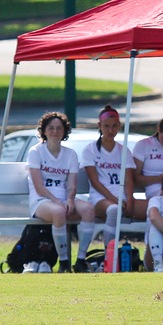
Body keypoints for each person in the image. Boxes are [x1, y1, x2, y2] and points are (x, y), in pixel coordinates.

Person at [26, 111, 94, 273]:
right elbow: (38, 186)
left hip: (63, 200)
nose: (55, 132)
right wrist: (57, 201)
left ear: (65, 131)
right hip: (41, 201)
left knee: (88, 209)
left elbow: (71, 184)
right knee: (58, 212)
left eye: (59, 128)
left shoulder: (70, 154)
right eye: (51, 128)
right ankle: (63, 263)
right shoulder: (36, 152)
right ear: (44, 131)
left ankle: (80, 261)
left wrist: (70, 199)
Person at [78, 105, 128, 272]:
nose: (110, 129)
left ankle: (157, 262)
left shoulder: (123, 150)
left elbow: (129, 179)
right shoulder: (91, 149)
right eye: (106, 125)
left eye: (114, 126)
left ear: (119, 126)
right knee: (114, 209)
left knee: (152, 209)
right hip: (100, 198)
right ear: (99, 126)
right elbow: (95, 181)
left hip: (121, 198)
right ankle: (108, 259)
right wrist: (116, 199)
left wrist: (130, 198)